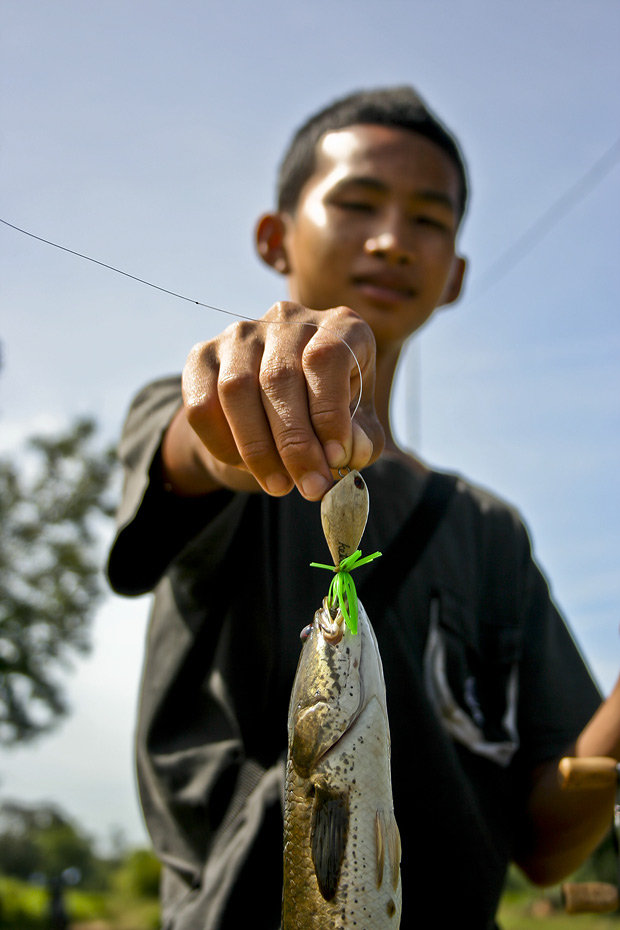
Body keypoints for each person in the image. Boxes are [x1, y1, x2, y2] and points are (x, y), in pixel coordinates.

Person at [108, 87, 620, 929]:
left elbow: (547, 847)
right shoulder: (208, 407)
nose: (391, 239)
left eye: (428, 219)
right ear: (276, 237)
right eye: (355, 204)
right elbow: (201, 452)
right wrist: (238, 417)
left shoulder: (491, 532)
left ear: (454, 274)